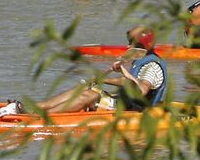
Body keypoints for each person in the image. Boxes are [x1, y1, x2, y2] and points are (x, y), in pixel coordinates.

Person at [34, 26, 168, 113]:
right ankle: (36, 108)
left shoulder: (152, 67)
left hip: (133, 110)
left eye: (131, 42)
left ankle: (44, 117)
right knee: (83, 89)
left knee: (90, 96)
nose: (127, 45)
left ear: (140, 44)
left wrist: (124, 72)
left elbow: (141, 90)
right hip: (123, 102)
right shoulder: (141, 59)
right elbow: (128, 82)